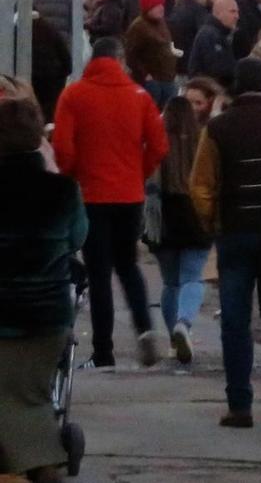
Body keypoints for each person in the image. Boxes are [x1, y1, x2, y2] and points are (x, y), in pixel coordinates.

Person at [191, 56, 261, 427]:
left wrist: (214, 222)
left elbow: (201, 185)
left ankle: (239, 403)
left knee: (235, 320)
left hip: (235, 232)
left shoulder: (218, 128)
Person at [52, 37, 169, 369]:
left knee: (99, 272)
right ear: (119, 60)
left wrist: (73, 175)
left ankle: (103, 351)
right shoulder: (140, 97)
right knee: (129, 265)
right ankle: (144, 327)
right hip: (129, 194)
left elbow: (63, 149)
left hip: (91, 196)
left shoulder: (74, 95)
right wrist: (138, 171)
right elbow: (159, 146)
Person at [0, 97, 88, 483]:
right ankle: (41, 463)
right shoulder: (63, 191)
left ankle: (35, 464)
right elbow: (76, 238)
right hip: (47, 317)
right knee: (34, 398)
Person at [151, 94, 214, 367]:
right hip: (194, 213)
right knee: (193, 278)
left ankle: (173, 339)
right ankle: (184, 324)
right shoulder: (202, 138)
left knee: (170, 283)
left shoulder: (156, 141)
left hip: (163, 216)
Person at [125, 0, 180, 106]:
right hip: (153, 81)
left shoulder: (161, 23)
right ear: (147, 8)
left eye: (161, 5)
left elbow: (167, 43)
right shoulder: (139, 27)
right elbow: (130, 55)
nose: (161, 8)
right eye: (156, 6)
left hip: (168, 77)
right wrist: (144, 75)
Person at [191, 0, 242, 87]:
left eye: (237, 12)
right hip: (208, 91)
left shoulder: (220, 33)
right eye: (232, 11)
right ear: (218, 13)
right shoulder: (210, 35)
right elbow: (216, 69)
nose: (237, 16)